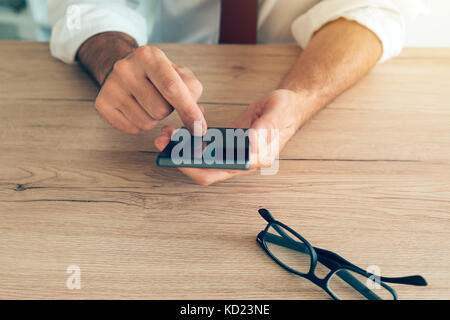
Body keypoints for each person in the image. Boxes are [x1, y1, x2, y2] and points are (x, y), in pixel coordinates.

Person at [49, 0, 428, 185]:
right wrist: (117, 58)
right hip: (182, 52)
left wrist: (298, 102)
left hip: (317, 61)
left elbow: (378, 7)